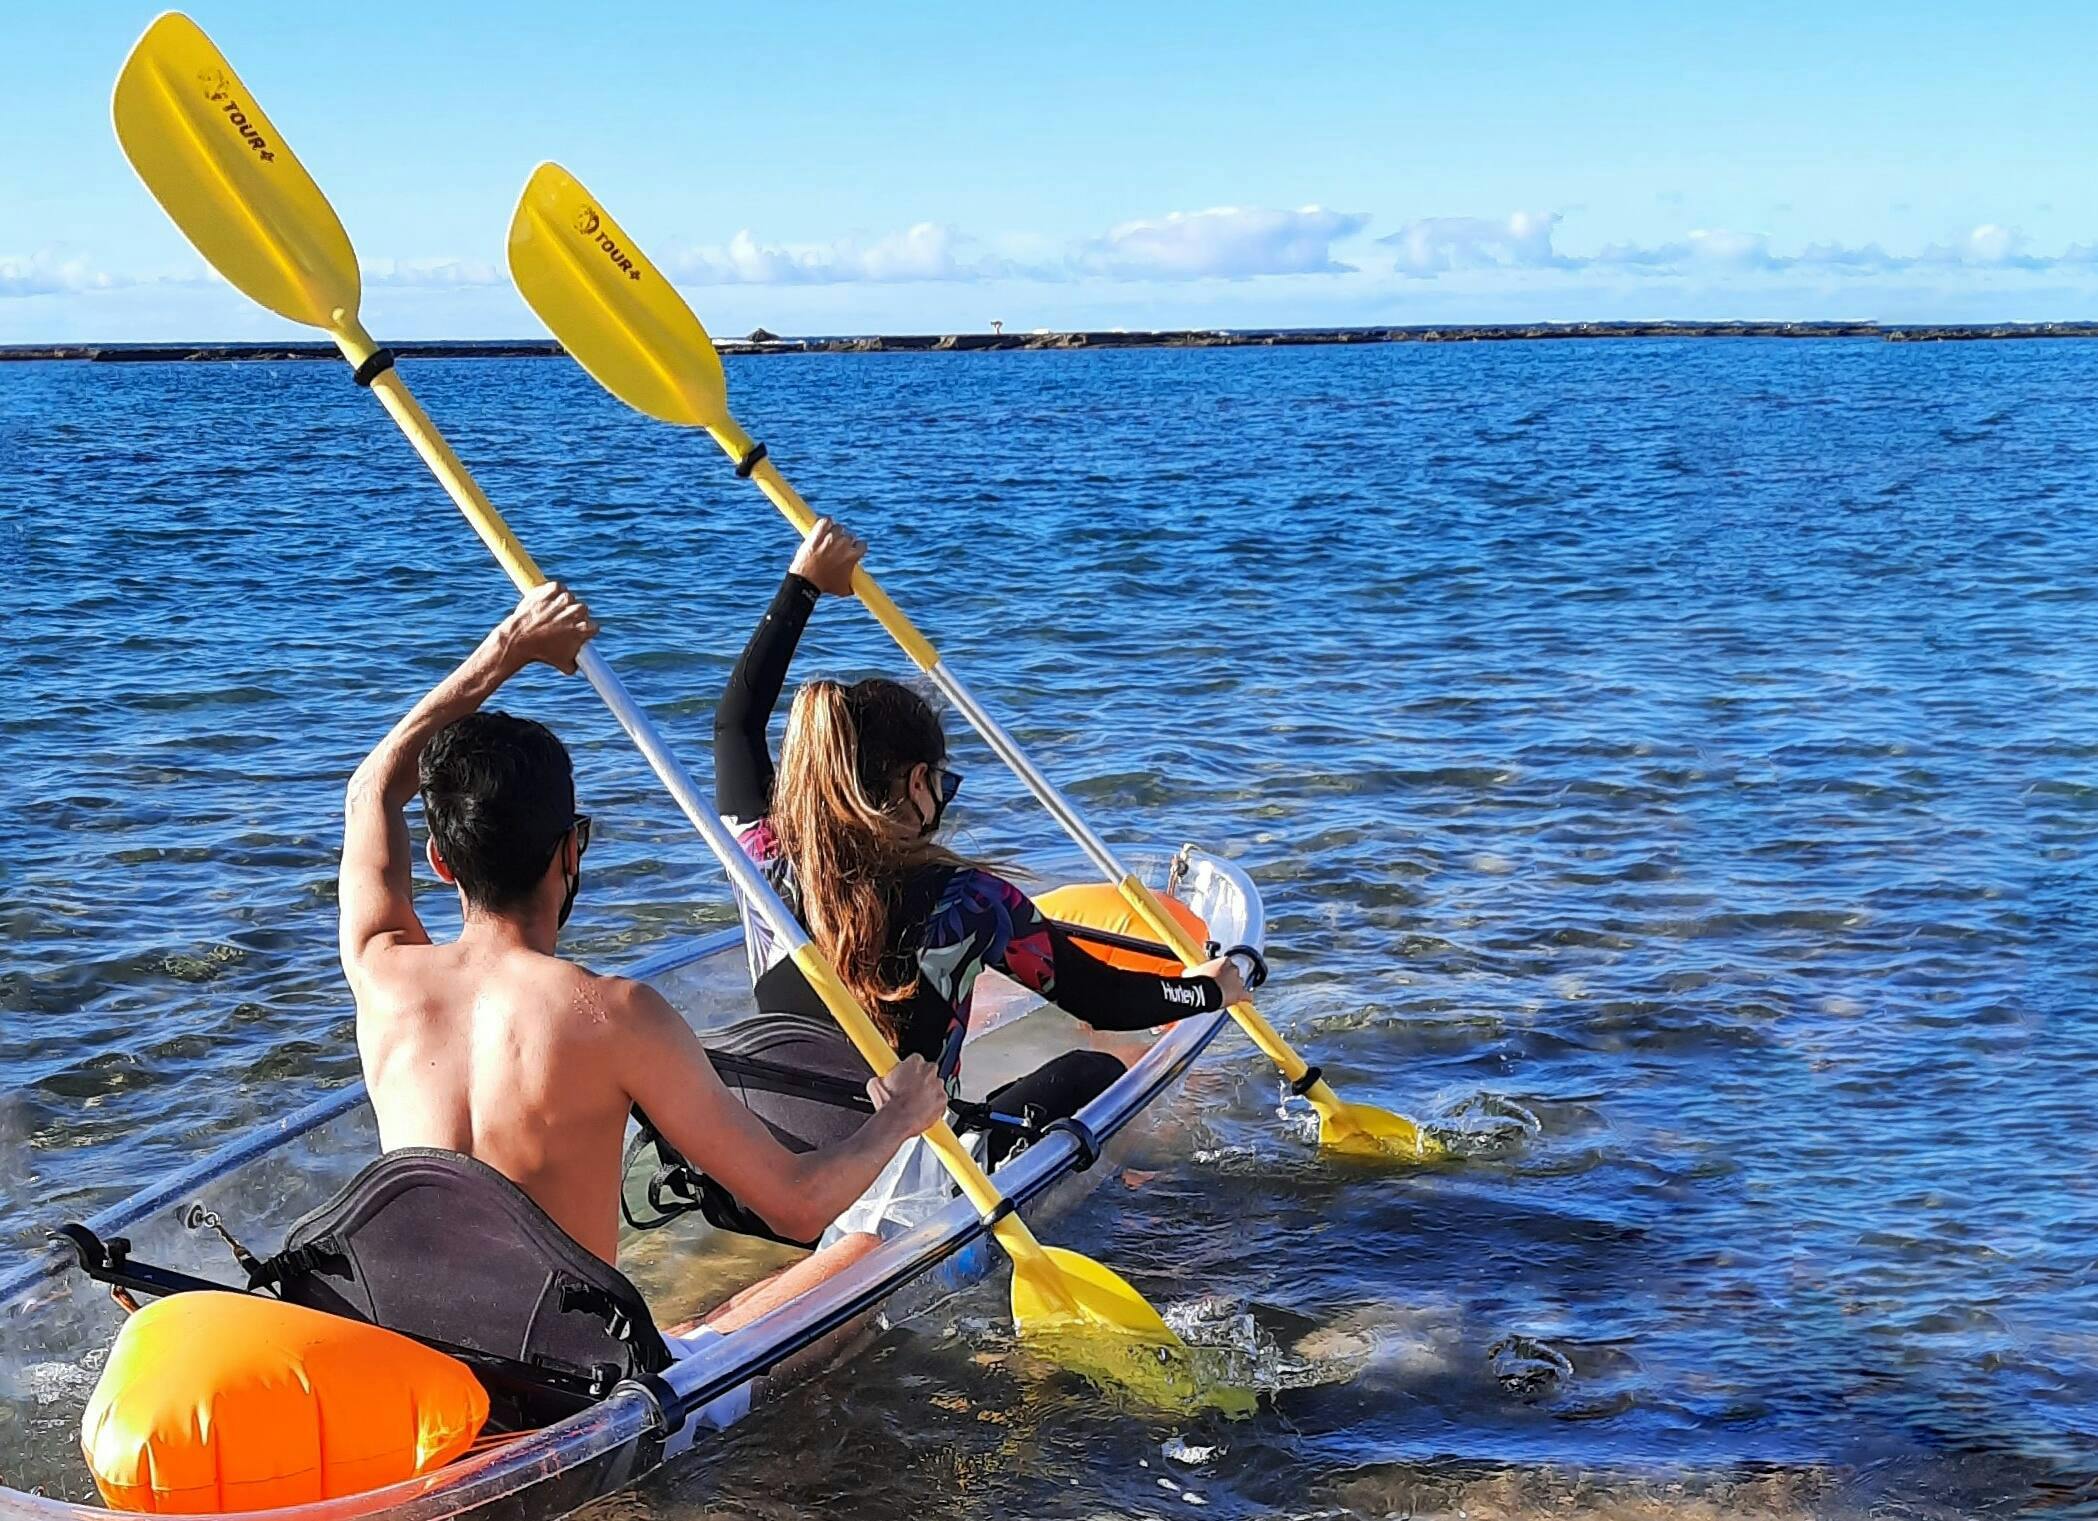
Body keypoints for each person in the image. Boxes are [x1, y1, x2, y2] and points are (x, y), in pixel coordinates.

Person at [337, 582, 949, 1401]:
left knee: (700, 1313)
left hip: (425, 1384)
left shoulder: (381, 973)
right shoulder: (614, 1015)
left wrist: (508, 649)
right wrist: (901, 1116)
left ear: (443, 863)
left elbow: (373, 784)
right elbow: (799, 1204)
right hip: (569, 1398)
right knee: (866, 1245)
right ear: (572, 852)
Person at [710, 519, 1247, 1167]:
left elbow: (735, 724)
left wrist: (802, 585)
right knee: (1091, 1067)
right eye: (944, 783)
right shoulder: (967, 902)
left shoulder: (766, 859)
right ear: (916, 782)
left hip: (776, 1167)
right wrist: (1211, 989)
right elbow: (1102, 997)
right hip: (905, 1173)